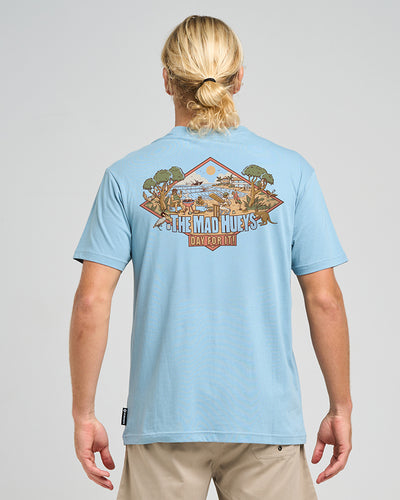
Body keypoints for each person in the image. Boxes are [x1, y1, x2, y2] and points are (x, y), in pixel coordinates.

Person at [69, 14, 352, 500]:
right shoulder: (292, 173)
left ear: (166, 80)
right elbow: (324, 299)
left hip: (163, 420)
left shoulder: (125, 177)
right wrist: (340, 407)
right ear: (239, 77)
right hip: (266, 421)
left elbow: (91, 302)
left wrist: (83, 413)